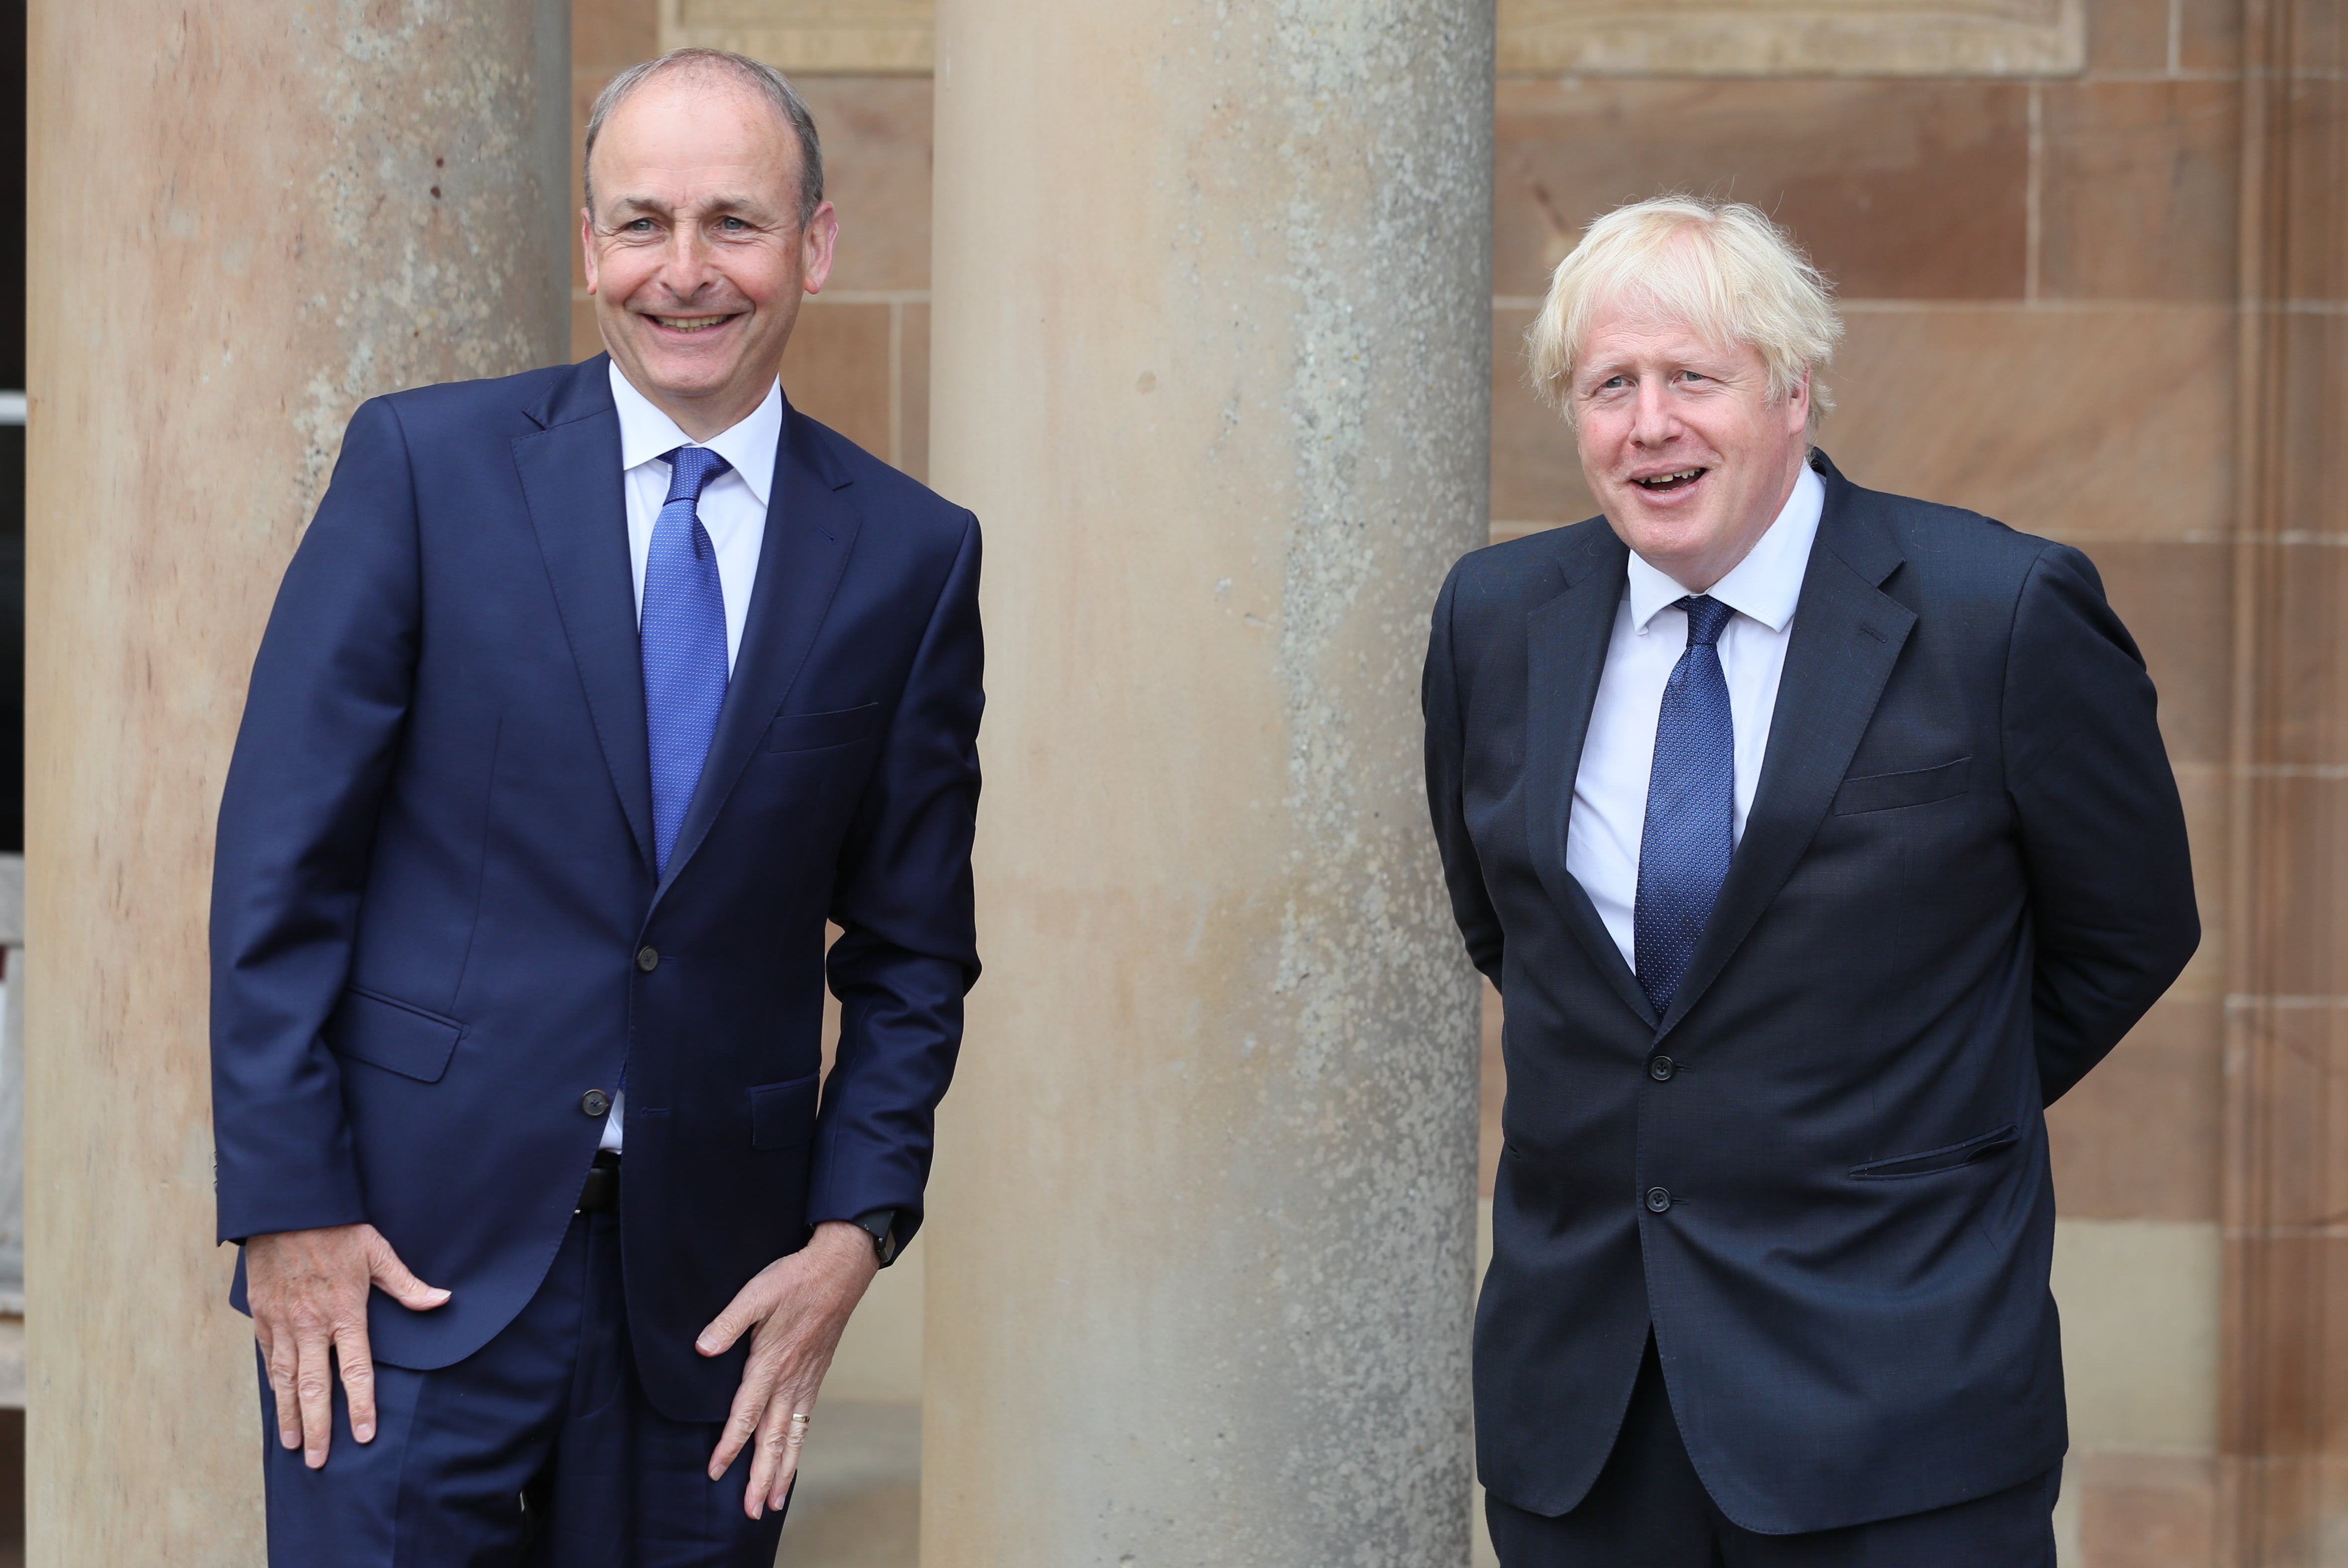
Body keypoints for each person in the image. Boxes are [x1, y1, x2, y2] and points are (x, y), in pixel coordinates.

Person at [208, 48, 981, 1565]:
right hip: (402, 1276)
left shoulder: (908, 554)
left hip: (711, 1315)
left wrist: (851, 1236)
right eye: (642, 224)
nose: (684, 273)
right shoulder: (424, 470)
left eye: (733, 224)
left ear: (815, 244)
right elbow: (278, 870)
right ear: (588, 247)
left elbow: (912, 952)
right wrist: (287, 1208)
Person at [1422, 195, 2198, 1566]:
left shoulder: (1998, 615)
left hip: (1899, 1403)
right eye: (1611, 386)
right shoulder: (1493, 623)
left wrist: (1907, 1102)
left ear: (1793, 391)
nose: (1649, 425)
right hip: (1589, 1417)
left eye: (1692, 380)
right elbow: (1514, 932)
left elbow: (2129, 930)